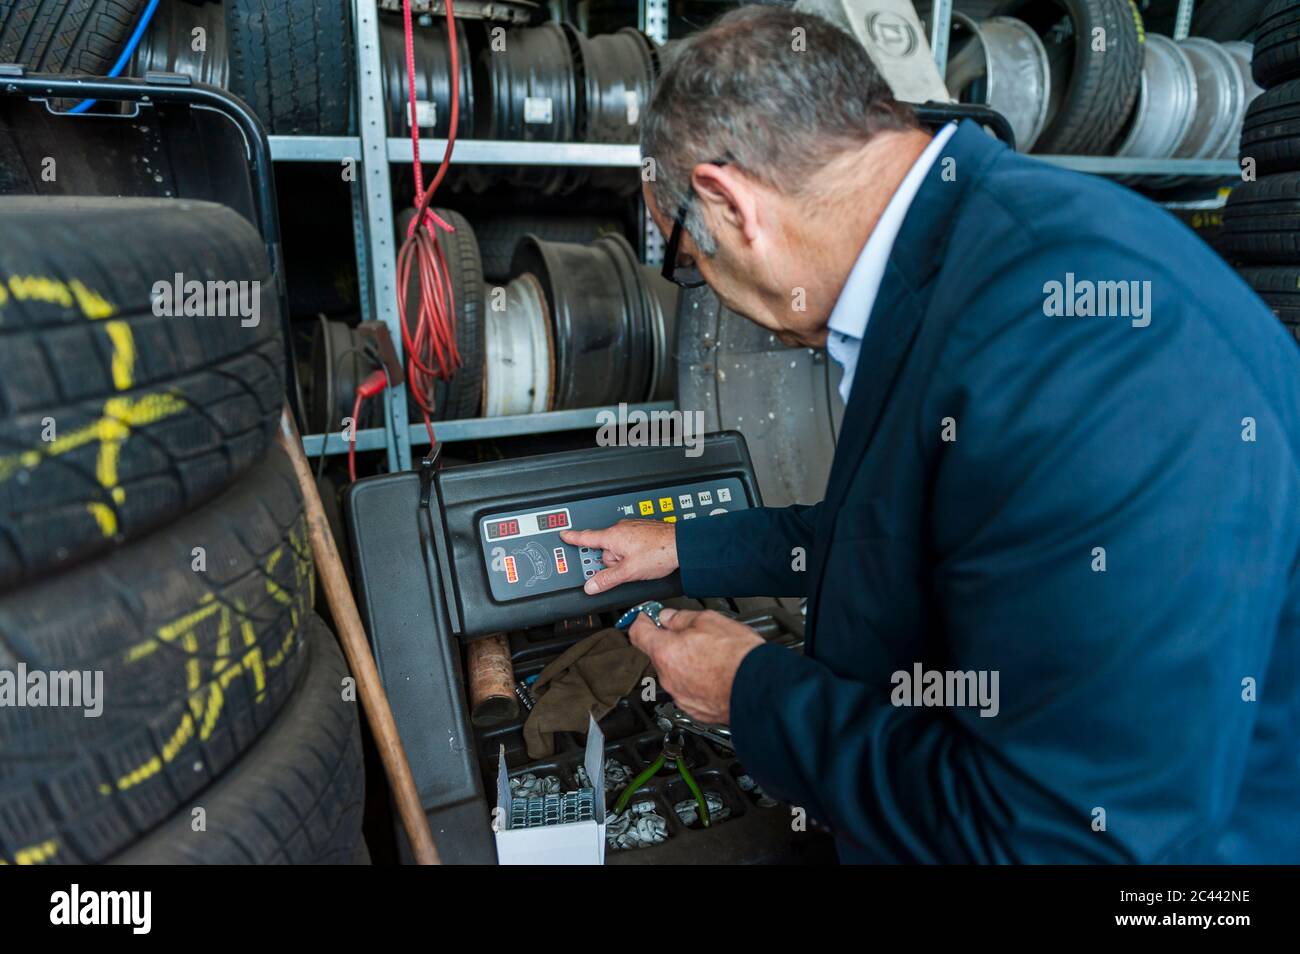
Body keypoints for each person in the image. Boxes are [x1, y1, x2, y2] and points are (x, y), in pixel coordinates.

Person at [561, 6, 1300, 863]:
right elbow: (895, 532)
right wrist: (682, 549)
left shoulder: (1074, 343)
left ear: (730, 204)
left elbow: (1057, 838)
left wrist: (752, 692)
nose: (705, 286)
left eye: (688, 259)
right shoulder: (956, 260)